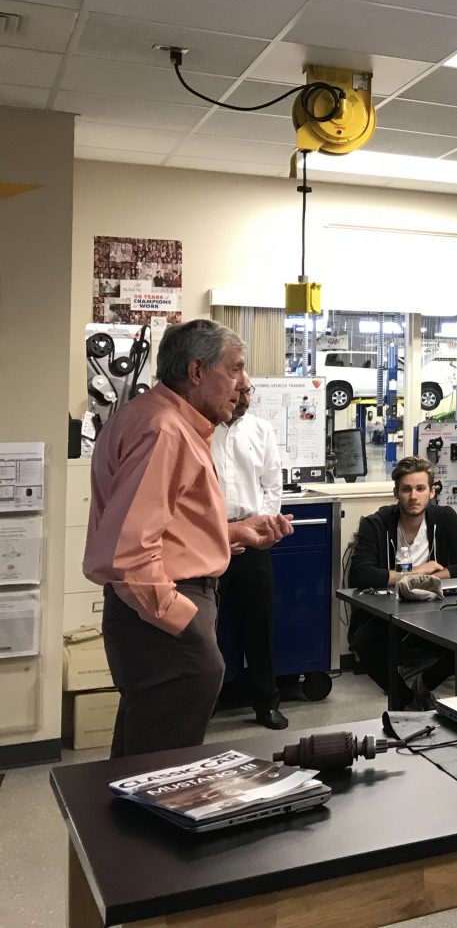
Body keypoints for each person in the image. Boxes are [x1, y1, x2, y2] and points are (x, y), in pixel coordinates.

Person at [84, 319, 293, 758]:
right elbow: (130, 551)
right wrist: (183, 621)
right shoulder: (165, 430)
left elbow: (159, 526)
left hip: (150, 612)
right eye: (235, 369)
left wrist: (229, 533)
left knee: (142, 756)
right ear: (197, 371)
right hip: (163, 613)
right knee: (160, 769)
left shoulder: (151, 417)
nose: (244, 384)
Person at [347, 456, 457, 707]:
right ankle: (406, 699)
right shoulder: (376, 524)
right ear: (396, 492)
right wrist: (413, 573)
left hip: (437, 610)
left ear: (432, 492)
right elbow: (360, 574)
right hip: (388, 611)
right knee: (364, 642)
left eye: (420, 488)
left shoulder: (444, 518)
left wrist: (426, 579)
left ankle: (423, 685)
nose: (413, 496)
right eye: (406, 489)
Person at [212, 386, 287, 730]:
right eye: (235, 391)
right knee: (204, 627)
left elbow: (273, 485)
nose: (242, 398)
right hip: (210, 538)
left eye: (246, 392)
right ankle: (204, 702)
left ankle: (266, 703)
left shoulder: (261, 430)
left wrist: (263, 527)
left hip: (254, 539)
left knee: (259, 625)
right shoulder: (201, 430)